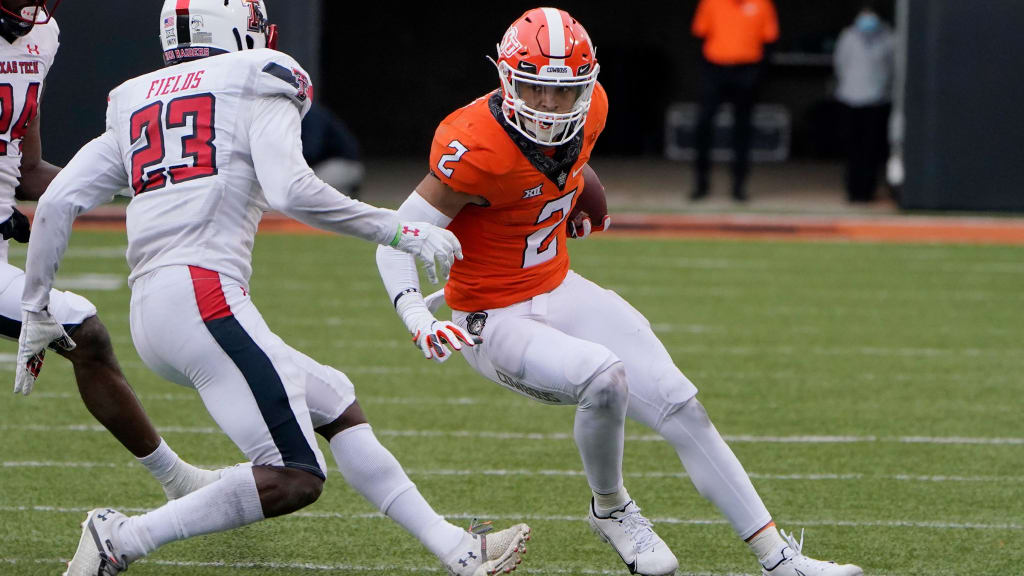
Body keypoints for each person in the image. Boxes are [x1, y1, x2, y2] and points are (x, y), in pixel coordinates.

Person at [17, 1, 530, 575]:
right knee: (295, 475)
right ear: (237, 26)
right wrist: (398, 229)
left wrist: (36, 305)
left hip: (153, 312)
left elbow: (59, 201)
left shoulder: (134, 96)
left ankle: (456, 550)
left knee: (334, 400)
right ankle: (123, 537)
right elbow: (292, 191)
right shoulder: (258, 73)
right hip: (204, 297)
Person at [376, 7, 862, 576]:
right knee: (603, 376)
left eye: (566, 93)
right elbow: (392, 237)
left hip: (558, 287)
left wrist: (578, 196)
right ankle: (611, 508)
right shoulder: (472, 144)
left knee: (682, 404)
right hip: (490, 317)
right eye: (538, 89)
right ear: (507, 78)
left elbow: (566, 166)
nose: (552, 108)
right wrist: (413, 312)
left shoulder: (594, 110)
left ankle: (779, 559)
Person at [1, 0, 220, 502]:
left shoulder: (42, 36)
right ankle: (179, 483)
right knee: (84, 329)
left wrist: (147, 184)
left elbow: (29, 169)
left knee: (85, 334)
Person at [690, 0, 778, 202]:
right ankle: (701, 183)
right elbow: (699, 36)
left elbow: (770, 41)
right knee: (703, 123)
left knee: (743, 128)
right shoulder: (711, 3)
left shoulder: (762, 4)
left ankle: (739, 185)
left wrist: (757, 74)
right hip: (715, 68)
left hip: (747, 69)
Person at [834, 2, 895, 203]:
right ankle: (853, 191)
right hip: (850, 99)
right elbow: (840, 64)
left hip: (876, 101)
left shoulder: (888, 38)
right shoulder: (849, 36)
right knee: (853, 149)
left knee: (871, 149)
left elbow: (893, 68)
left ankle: (867, 192)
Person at [301, 101, 365, 199]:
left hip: (342, 164)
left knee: (302, 190)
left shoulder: (310, 113)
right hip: (327, 166)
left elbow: (311, 151)